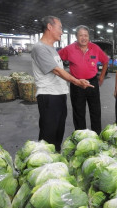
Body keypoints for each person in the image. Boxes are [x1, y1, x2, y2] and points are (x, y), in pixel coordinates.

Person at [31, 16, 92, 151]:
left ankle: (55, 159)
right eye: (60, 28)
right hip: (48, 96)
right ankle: (44, 162)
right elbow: (57, 71)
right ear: (49, 27)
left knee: (58, 133)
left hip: (59, 95)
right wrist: (76, 81)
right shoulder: (40, 48)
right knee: (48, 134)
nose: (62, 32)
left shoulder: (52, 49)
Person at [58, 25, 108, 134]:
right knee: (78, 113)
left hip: (92, 83)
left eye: (86, 35)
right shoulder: (69, 49)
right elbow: (56, 59)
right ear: (76, 36)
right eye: (81, 35)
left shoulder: (95, 48)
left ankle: (96, 136)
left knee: (95, 111)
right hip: (76, 84)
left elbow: (105, 60)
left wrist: (102, 76)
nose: (83, 38)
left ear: (89, 36)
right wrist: (63, 74)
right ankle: (81, 136)